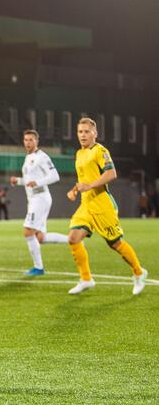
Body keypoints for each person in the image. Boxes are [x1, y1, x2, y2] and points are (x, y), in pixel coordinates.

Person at [66, 117, 147, 295]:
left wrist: (89, 186)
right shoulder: (79, 153)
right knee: (73, 238)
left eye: (87, 131)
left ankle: (139, 273)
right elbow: (83, 180)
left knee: (115, 244)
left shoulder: (100, 151)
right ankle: (86, 279)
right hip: (86, 205)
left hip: (102, 204)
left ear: (95, 133)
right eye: (80, 132)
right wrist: (75, 189)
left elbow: (111, 173)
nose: (83, 135)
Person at [9, 129, 68, 275]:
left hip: (40, 198)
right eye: (26, 140)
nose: (28, 143)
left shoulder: (42, 157)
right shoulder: (27, 158)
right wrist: (18, 181)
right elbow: (30, 182)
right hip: (34, 199)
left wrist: (38, 182)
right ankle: (73, 240)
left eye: (31, 140)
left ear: (37, 141)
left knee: (28, 231)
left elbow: (55, 176)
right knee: (40, 237)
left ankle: (38, 268)